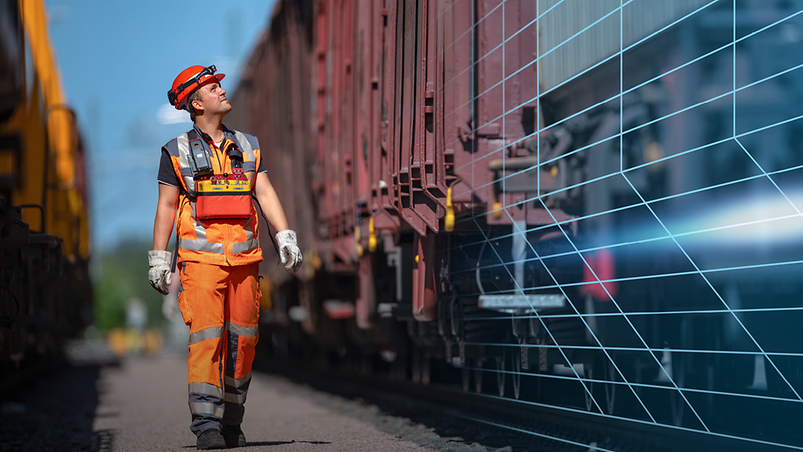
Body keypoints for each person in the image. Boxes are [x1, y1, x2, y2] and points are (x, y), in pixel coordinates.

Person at [148, 65, 302, 450]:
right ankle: (206, 425)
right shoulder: (176, 150)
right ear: (196, 103)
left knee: (244, 341)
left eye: (219, 85)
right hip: (200, 264)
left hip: (246, 261)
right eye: (213, 88)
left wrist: (285, 236)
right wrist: (159, 256)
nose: (222, 91)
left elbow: (263, 193)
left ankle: (232, 421)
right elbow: (166, 206)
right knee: (207, 340)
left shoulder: (248, 145)